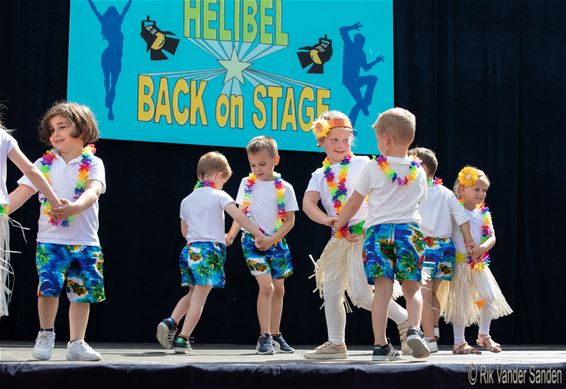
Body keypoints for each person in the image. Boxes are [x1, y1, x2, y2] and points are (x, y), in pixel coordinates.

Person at [302, 110, 410, 360]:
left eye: (345, 139)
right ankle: (336, 343)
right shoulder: (319, 176)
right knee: (330, 290)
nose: (341, 145)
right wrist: (326, 219)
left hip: (365, 235)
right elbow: (308, 203)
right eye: (334, 140)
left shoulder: (365, 163)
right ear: (321, 142)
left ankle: (404, 321)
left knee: (362, 295)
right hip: (339, 238)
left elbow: (388, 189)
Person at [8, 101, 106, 361]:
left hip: (86, 242)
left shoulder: (94, 163)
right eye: (51, 130)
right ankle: (46, 333)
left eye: (62, 127)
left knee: (81, 294)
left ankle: (77, 343)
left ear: (83, 130)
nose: (55, 134)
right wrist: (1, 211)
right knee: (48, 289)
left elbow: (93, 191)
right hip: (50, 241)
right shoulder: (43, 163)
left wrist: (74, 207)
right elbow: (21, 193)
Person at [334, 107, 430, 361]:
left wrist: (340, 224)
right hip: (409, 233)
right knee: (412, 289)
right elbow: (420, 201)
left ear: (385, 139)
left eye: (378, 139)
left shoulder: (374, 168)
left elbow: (354, 203)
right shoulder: (419, 171)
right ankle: (414, 330)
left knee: (382, 291)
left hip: (378, 234)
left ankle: (380, 345)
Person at [158, 151, 266, 354]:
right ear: (219, 176)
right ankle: (183, 339)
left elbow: (184, 231)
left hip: (190, 250)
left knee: (192, 292)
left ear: (200, 176)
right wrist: (257, 233)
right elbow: (239, 217)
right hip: (209, 252)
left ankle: (171, 321)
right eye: (224, 180)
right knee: (199, 298)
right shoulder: (220, 195)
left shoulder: (187, 200)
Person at [226, 136, 299, 355]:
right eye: (253, 165)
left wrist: (273, 239)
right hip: (252, 242)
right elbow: (239, 213)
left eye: (262, 164)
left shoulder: (285, 188)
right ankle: (264, 336)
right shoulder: (246, 184)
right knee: (266, 287)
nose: (257, 169)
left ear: (276, 159)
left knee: (279, 289)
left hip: (276, 242)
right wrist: (230, 234)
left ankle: (276, 335)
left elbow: (290, 221)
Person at [437, 166, 513, 354]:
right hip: (459, 264)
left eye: (484, 190)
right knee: (460, 303)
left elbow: (492, 236)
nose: (481, 193)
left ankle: (483, 335)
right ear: (462, 189)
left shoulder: (483, 213)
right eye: (476, 189)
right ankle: (459, 342)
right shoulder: (455, 209)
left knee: (489, 297)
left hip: (478, 264)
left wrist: (482, 248)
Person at [408, 147, 475, 353]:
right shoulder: (446, 193)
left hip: (427, 248)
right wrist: (469, 240)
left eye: (413, 163)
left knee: (425, 294)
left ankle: (429, 339)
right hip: (446, 249)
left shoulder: (416, 190)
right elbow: (462, 218)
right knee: (433, 292)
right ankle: (433, 327)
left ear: (423, 167)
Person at [0, 116, 61, 318]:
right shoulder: (4, 138)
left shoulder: (4, 138)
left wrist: (53, 200)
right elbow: (31, 170)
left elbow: (32, 171)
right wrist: (53, 200)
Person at [87, 0, 132, 121]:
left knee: (108, 80)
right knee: (113, 84)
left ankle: (108, 100)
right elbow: (125, 10)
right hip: (115, 57)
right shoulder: (117, 23)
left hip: (109, 55)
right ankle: (110, 108)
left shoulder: (108, 23)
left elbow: (95, 10)